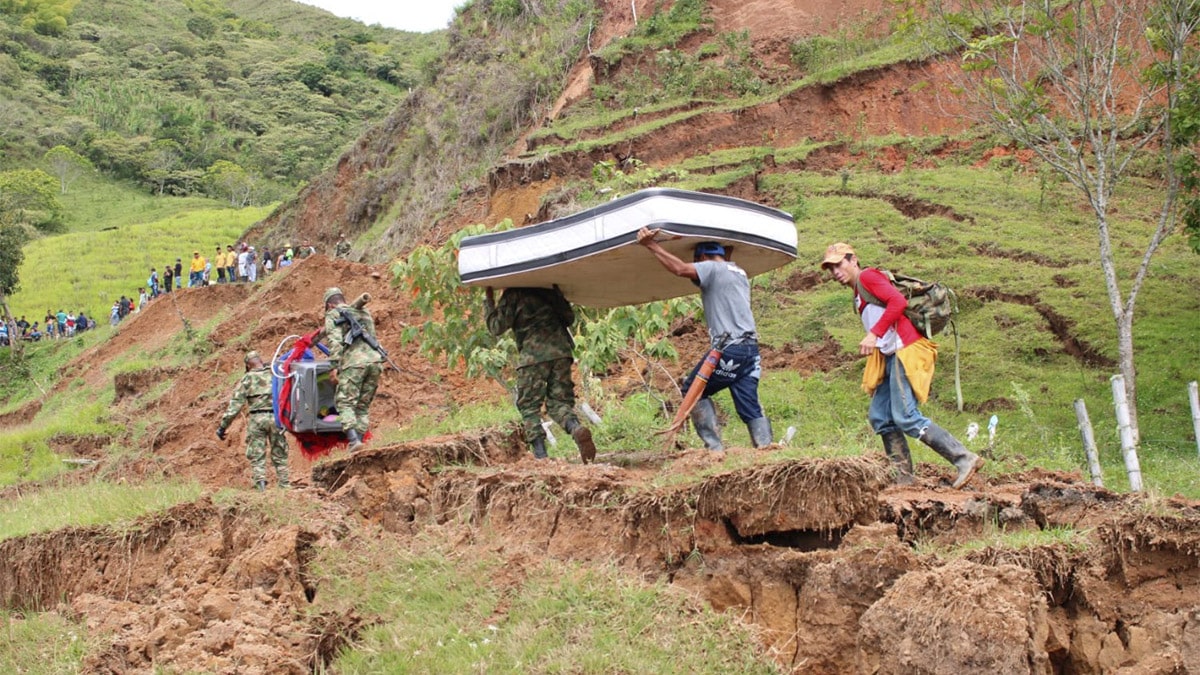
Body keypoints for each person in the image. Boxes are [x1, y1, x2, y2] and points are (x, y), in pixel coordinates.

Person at [820, 242, 983, 489]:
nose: (835, 272)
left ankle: (964, 458)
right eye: (830, 268)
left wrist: (874, 334)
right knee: (880, 416)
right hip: (891, 355)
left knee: (906, 417)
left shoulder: (868, 277)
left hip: (905, 350)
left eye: (839, 264)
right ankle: (903, 478)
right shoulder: (857, 292)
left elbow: (897, 302)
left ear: (853, 260)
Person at [636, 229, 773, 450]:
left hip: (730, 348)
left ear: (701, 259)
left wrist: (650, 245)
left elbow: (680, 269)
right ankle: (766, 448)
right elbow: (721, 265)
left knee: (694, 390)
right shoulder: (738, 272)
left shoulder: (711, 268)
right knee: (748, 405)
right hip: (750, 352)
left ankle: (714, 449)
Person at [484, 285, 597, 463]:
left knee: (529, 406)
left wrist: (489, 300)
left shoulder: (513, 293)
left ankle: (540, 454)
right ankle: (575, 428)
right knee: (559, 402)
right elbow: (569, 318)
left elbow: (496, 327)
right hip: (561, 353)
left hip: (533, 356)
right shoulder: (549, 288)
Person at [217, 351, 290, 490]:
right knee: (280, 452)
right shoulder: (276, 373)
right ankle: (285, 486)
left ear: (248, 365)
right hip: (276, 418)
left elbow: (235, 405)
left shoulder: (248, 378)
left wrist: (223, 426)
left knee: (257, 455)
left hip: (257, 419)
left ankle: (261, 485)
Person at [322, 288, 382, 452]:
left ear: (328, 305)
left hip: (354, 363)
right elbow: (373, 337)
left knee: (345, 402)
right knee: (362, 407)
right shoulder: (364, 312)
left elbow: (335, 342)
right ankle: (360, 444)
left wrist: (334, 367)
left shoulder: (333, 314)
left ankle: (354, 441)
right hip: (375, 361)